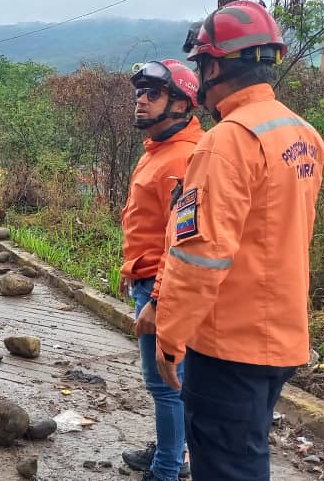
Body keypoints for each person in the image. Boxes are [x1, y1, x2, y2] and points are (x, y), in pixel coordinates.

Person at [151, 0, 324, 480]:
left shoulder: (227, 140)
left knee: (228, 465)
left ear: (214, 65)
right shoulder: (302, 133)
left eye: (201, 65)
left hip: (230, 342)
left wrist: (170, 338)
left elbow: (200, 254)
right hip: (282, 337)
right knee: (246, 452)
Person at [120, 59, 203, 481]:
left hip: (161, 284)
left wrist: (155, 298)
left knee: (166, 383)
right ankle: (170, 452)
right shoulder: (158, 149)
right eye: (139, 93)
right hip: (146, 275)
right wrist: (130, 270)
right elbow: (146, 222)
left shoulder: (183, 159)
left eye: (153, 93)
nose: (141, 100)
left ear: (182, 103)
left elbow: (182, 239)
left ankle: (168, 469)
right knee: (167, 381)